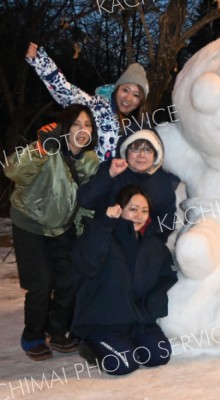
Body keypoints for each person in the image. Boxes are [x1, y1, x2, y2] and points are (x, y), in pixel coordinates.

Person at [3, 105, 100, 361]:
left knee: (69, 280)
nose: (82, 130)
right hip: (30, 223)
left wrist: (84, 229)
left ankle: (57, 331)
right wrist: (41, 148)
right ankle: (33, 336)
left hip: (62, 227)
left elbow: (88, 200)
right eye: (76, 124)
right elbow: (12, 169)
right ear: (65, 128)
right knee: (41, 283)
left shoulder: (91, 161)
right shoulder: (49, 148)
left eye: (87, 125)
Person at [71, 185, 178, 375]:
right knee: (123, 364)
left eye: (144, 211)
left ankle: (129, 343)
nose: (139, 215)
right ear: (119, 209)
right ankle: (90, 345)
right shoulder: (102, 236)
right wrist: (105, 223)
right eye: (133, 209)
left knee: (159, 356)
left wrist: (150, 308)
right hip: (104, 322)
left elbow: (165, 279)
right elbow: (86, 263)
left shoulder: (153, 245)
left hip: (138, 321)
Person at [25, 42, 149, 161]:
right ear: (116, 89)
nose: (128, 98)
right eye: (125, 90)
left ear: (140, 101)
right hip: (85, 178)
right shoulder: (94, 106)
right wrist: (40, 60)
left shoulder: (139, 126)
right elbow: (64, 89)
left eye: (136, 95)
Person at [77, 128, 176, 242]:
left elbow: (167, 222)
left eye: (148, 150)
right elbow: (84, 200)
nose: (142, 155)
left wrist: (145, 238)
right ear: (125, 150)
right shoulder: (113, 168)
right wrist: (109, 175)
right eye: (135, 149)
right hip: (106, 241)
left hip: (142, 246)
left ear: (155, 154)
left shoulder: (162, 181)